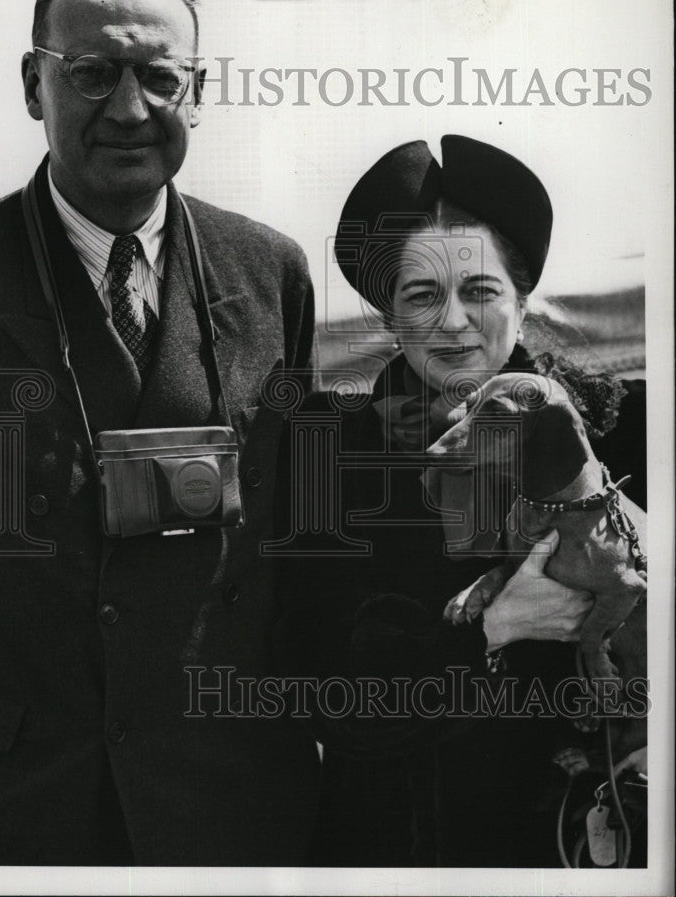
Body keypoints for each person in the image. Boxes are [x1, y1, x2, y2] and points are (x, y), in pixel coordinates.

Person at [0, 0, 319, 866]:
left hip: (229, 796)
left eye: (159, 76)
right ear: (34, 84)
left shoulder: (272, 274)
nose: (130, 108)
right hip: (16, 802)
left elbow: (302, 530)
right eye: (93, 73)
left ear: (199, 88)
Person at [272, 136, 646, 867]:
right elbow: (318, 691)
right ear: (389, 313)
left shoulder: (618, 425)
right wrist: (492, 629)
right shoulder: (329, 450)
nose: (452, 321)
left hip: (576, 829)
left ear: (522, 298)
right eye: (421, 294)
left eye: (479, 290)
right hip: (393, 846)